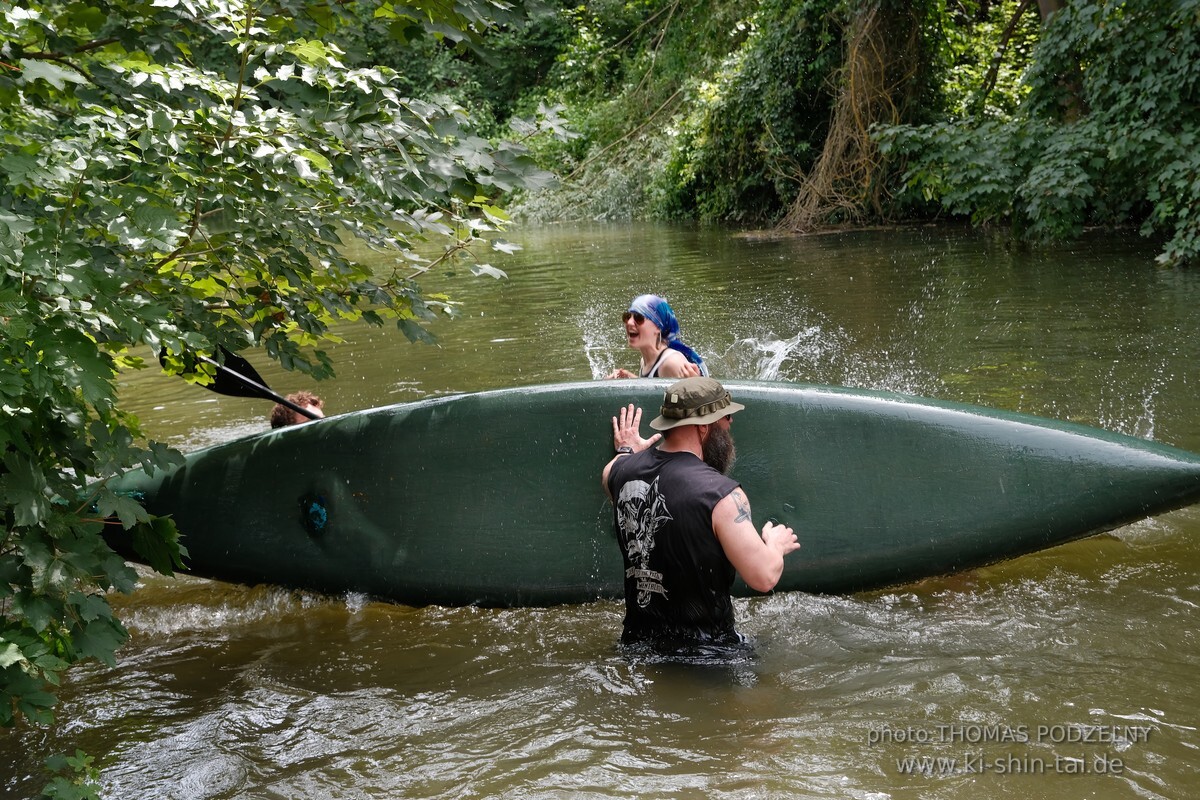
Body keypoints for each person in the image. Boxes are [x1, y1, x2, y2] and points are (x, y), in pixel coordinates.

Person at [601, 376, 800, 658]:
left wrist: (627, 450)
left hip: (637, 649)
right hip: (707, 659)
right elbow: (764, 577)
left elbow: (610, 471)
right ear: (704, 427)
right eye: (726, 417)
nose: (730, 424)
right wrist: (776, 545)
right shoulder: (721, 495)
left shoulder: (622, 475)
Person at [606, 294, 708, 379]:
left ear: (658, 327)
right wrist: (629, 378)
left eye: (638, 318)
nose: (629, 322)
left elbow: (695, 401)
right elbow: (657, 389)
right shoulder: (646, 361)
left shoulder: (671, 363)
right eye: (627, 317)